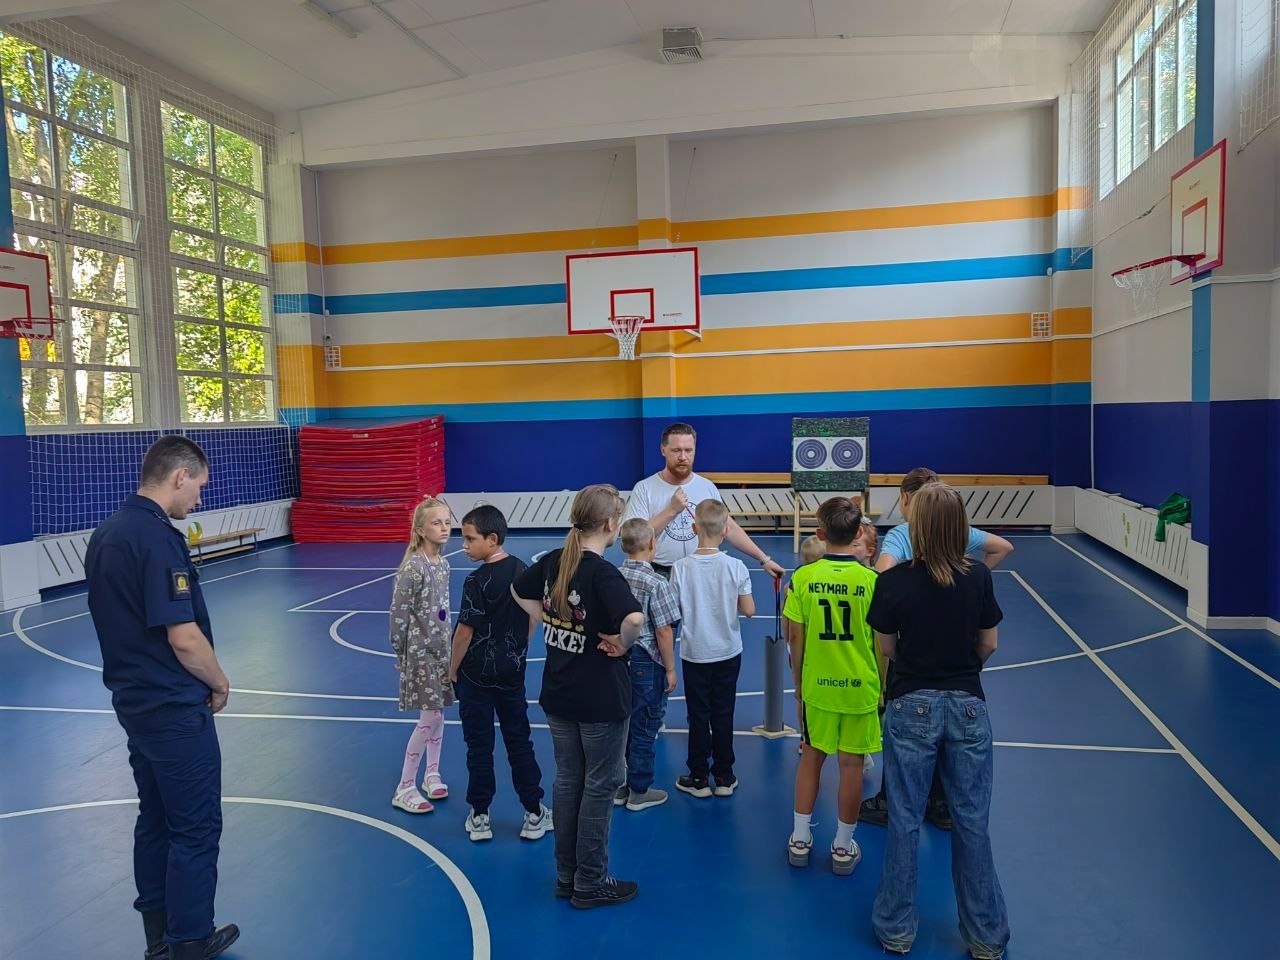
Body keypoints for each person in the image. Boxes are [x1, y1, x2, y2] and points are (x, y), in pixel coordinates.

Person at [85, 436, 240, 960]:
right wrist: (219, 682)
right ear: (179, 476)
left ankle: (159, 936)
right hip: (173, 707)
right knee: (195, 826)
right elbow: (183, 636)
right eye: (198, 486)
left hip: (134, 703)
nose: (199, 497)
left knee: (154, 818)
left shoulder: (107, 533)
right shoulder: (157, 538)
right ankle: (191, 938)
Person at [867, 482, 1009, 959]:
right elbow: (988, 643)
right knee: (971, 820)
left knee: (904, 818)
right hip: (968, 706)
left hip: (911, 703)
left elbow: (887, 646)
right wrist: (962, 669)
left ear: (918, 526)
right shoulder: (978, 577)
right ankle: (986, 935)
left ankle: (896, 927)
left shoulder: (894, 581)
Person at [511, 484, 645, 909]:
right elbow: (634, 620)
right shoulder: (603, 573)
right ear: (610, 524)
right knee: (600, 786)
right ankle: (590, 881)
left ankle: (567, 876)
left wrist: (550, 619)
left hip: (559, 693)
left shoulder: (554, 560)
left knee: (569, 781)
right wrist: (622, 643)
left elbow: (518, 589)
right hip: (600, 699)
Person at [861, 468, 1014, 830]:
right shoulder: (972, 565)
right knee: (954, 747)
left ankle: (890, 801)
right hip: (960, 674)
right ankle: (941, 804)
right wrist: (972, 579)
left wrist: (896, 596)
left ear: (906, 500)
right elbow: (1003, 549)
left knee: (903, 749)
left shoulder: (901, 535)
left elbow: (883, 576)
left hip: (913, 670)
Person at [784, 497, 880, 877]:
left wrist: (799, 682)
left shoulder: (803, 578)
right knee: (852, 765)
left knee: (811, 757)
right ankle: (842, 846)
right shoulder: (872, 582)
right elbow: (882, 643)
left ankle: (800, 838)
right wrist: (881, 685)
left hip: (818, 687)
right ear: (858, 533)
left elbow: (795, 637)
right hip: (859, 688)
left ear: (820, 534)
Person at [448, 504, 551, 842]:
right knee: (519, 740)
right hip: (511, 674)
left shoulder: (475, 581)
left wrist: (452, 669)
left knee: (478, 745)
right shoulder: (523, 571)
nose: (464, 546)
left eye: (470, 539)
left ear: (492, 539)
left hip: (475, 677)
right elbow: (533, 616)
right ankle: (534, 812)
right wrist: (517, 649)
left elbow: (464, 632)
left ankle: (480, 816)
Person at [622, 422, 786, 580]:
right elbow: (635, 538)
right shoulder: (645, 488)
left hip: (700, 571)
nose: (683, 457)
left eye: (688, 450)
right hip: (660, 572)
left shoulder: (706, 487)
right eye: (676, 450)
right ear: (663, 450)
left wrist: (764, 559)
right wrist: (671, 510)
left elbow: (728, 527)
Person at [670, 499, 754, 798]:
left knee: (698, 714)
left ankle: (698, 776)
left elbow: (675, 612)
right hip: (728, 651)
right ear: (726, 530)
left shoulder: (679, 568)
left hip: (695, 652)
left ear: (694, 528)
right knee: (723, 712)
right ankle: (724, 775)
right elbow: (749, 610)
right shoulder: (736, 567)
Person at [389, 496, 455, 814]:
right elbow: (398, 614)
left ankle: (432, 773)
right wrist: (400, 651)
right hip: (420, 653)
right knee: (431, 717)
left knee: (439, 712)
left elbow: (443, 610)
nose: (444, 528)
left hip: (441, 651)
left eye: (447, 522)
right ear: (420, 529)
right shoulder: (412, 568)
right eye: (436, 523)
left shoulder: (443, 564)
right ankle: (404, 786)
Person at [614, 518, 680, 812]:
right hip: (647, 659)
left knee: (621, 723)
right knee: (645, 724)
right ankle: (639, 790)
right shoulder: (657, 583)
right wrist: (670, 668)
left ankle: (619, 785)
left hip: (619, 656)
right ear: (653, 544)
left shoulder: (614, 577)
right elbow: (663, 630)